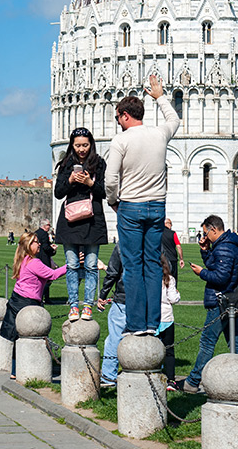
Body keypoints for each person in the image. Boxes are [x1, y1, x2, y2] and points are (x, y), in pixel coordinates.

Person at [105, 74, 180, 335]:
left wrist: (113, 201)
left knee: (133, 265)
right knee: (152, 263)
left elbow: (111, 179)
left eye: (118, 117)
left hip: (131, 206)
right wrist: (160, 97)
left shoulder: (121, 140)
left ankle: (136, 324)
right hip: (157, 207)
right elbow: (174, 120)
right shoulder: (159, 134)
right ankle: (152, 323)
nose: (118, 122)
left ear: (125, 115)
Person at [183, 215, 238, 394]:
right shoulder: (226, 245)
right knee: (235, 341)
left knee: (207, 341)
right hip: (232, 299)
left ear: (213, 229)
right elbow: (216, 266)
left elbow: (220, 277)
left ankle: (192, 381)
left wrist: (201, 273)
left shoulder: (224, 248)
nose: (205, 236)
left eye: (205, 233)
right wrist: (205, 251)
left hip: (222, 301)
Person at [54, 127, 108, 322]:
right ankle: (73, 305)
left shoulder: (99, 163)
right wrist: (70, 179)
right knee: (72, 265)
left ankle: (88, 306)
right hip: (70, 220)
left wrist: (89, 183)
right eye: (77, 145)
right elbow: (58, 193)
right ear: (72, 145)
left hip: (92, 219)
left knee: (92, 265)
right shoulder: (66, 164)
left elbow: (104, 192)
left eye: (85, 145)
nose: (81, 149)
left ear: (91, 144)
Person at [0, 232, 67, 378]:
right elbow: (53, 275)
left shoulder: (23, 259)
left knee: (18, 337)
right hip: (28, 302)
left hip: (17, 299)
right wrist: (70, 265)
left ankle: (15, 371)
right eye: (36, 242)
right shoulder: (34, 262)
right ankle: (34, 369)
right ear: (29, 245)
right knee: (34, 335)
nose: (39, 244)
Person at [97, 245, 126, 387]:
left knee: (114, 338)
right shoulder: (153, 242)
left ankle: (109, 375)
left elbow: (112, 273)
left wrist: (103, 294)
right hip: (147, 300)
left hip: (124, 298)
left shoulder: (122, 245)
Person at [157, 255, 180, 391]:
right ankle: (171, 380)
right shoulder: (169, 279)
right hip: (166, 318)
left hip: (153, 317)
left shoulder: (149, 278)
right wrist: (178, 294)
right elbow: (172, 298)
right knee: (169, 350)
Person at [33, 220, 58, 304]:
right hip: (44, 258)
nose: (49, 227)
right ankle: (45, 297)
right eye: (48, 225)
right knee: (47, 279)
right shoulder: (44, 234)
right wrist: (53, 249)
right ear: (44, 225)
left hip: (37, 257)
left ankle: (42, 297)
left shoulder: (36, 233)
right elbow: (45, 247)